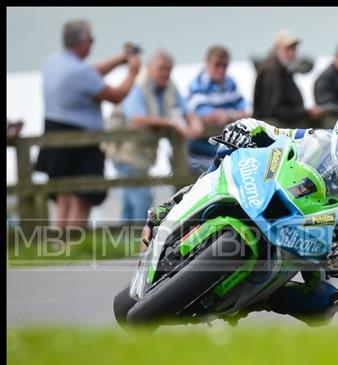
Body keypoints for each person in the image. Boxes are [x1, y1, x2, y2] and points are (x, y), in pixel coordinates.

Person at [142, 107, 338, 326]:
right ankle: (177, 202)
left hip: (323, 244)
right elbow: (273, 134)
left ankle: (260, 298)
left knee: (325, 306)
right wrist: (243, 130)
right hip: (289, 203)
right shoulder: (318, 141)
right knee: (229, 150)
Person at [36, 19, 141, 229]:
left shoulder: (53, 63)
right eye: (91, 39)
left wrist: (120, 59)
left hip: (54, 134)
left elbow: (90, 73)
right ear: (82, 41)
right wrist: (132, 71)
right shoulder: (80, 73)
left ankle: (60, 247)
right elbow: (116, 95)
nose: (93, 44)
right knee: (83, 197)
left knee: (63, 197)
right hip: (82, 141)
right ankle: (75, 247)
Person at [105, 50, 203, 223]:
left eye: (168, 69)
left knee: (131, 203)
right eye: (161, 69)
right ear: (150, 68)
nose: (164, 73)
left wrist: (195, 124)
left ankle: (126, 245)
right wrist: (173, 123)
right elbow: (137, 119)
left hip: (144, 155)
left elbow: (186, 110)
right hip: (125, 152)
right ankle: (140, 244)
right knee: (142, 203)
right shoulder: (137, 86)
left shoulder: (169, 86)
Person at [186, 45, 249, 175]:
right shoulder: (198, 84)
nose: (221, 70)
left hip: (226, 145)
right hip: (203, 149)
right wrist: (230, 115)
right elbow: (208, 115)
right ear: (207, 63)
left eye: (224, 66)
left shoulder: (230, 83)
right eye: (217, 65)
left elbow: (244, 110)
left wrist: (228, 115)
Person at [253, 30, 325, 127]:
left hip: (281, 122)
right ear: (276, 49)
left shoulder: (284, 68)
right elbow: (272, 110)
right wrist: (305, 112)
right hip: (271, 124)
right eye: (288, 48)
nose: (292, 52)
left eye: (294, 48)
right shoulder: (272, 71)